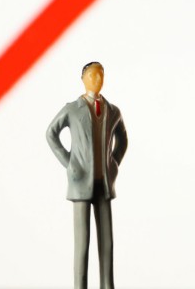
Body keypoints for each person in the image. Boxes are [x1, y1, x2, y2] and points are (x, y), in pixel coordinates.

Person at [46, 62, 128, 289]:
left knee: (107, 243)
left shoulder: (113, 111)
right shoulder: (73, 109)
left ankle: (107, 285)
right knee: (82, 244)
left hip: (104, 184)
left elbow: (122, 140)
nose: (97, 79)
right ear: (82, 78)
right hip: (81, 184)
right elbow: (51, 133)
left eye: (101, 75)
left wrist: (114, 163)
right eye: (92, 75)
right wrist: (69, 163)